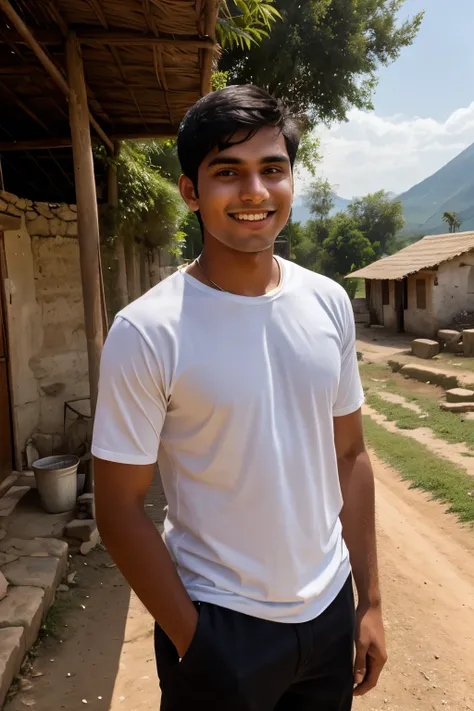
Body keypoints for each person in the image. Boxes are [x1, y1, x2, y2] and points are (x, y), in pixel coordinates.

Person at [92, 84, 387, 711]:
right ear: (191, 192)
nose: (254, 191)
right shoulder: (148, 331)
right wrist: (195, 642)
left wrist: (371, 602)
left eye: (271, 170)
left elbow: (351, 457)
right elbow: (118, 507)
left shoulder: (329, 302)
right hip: (220, 624)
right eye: (228, 172)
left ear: (290, 180)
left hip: (330, 611)